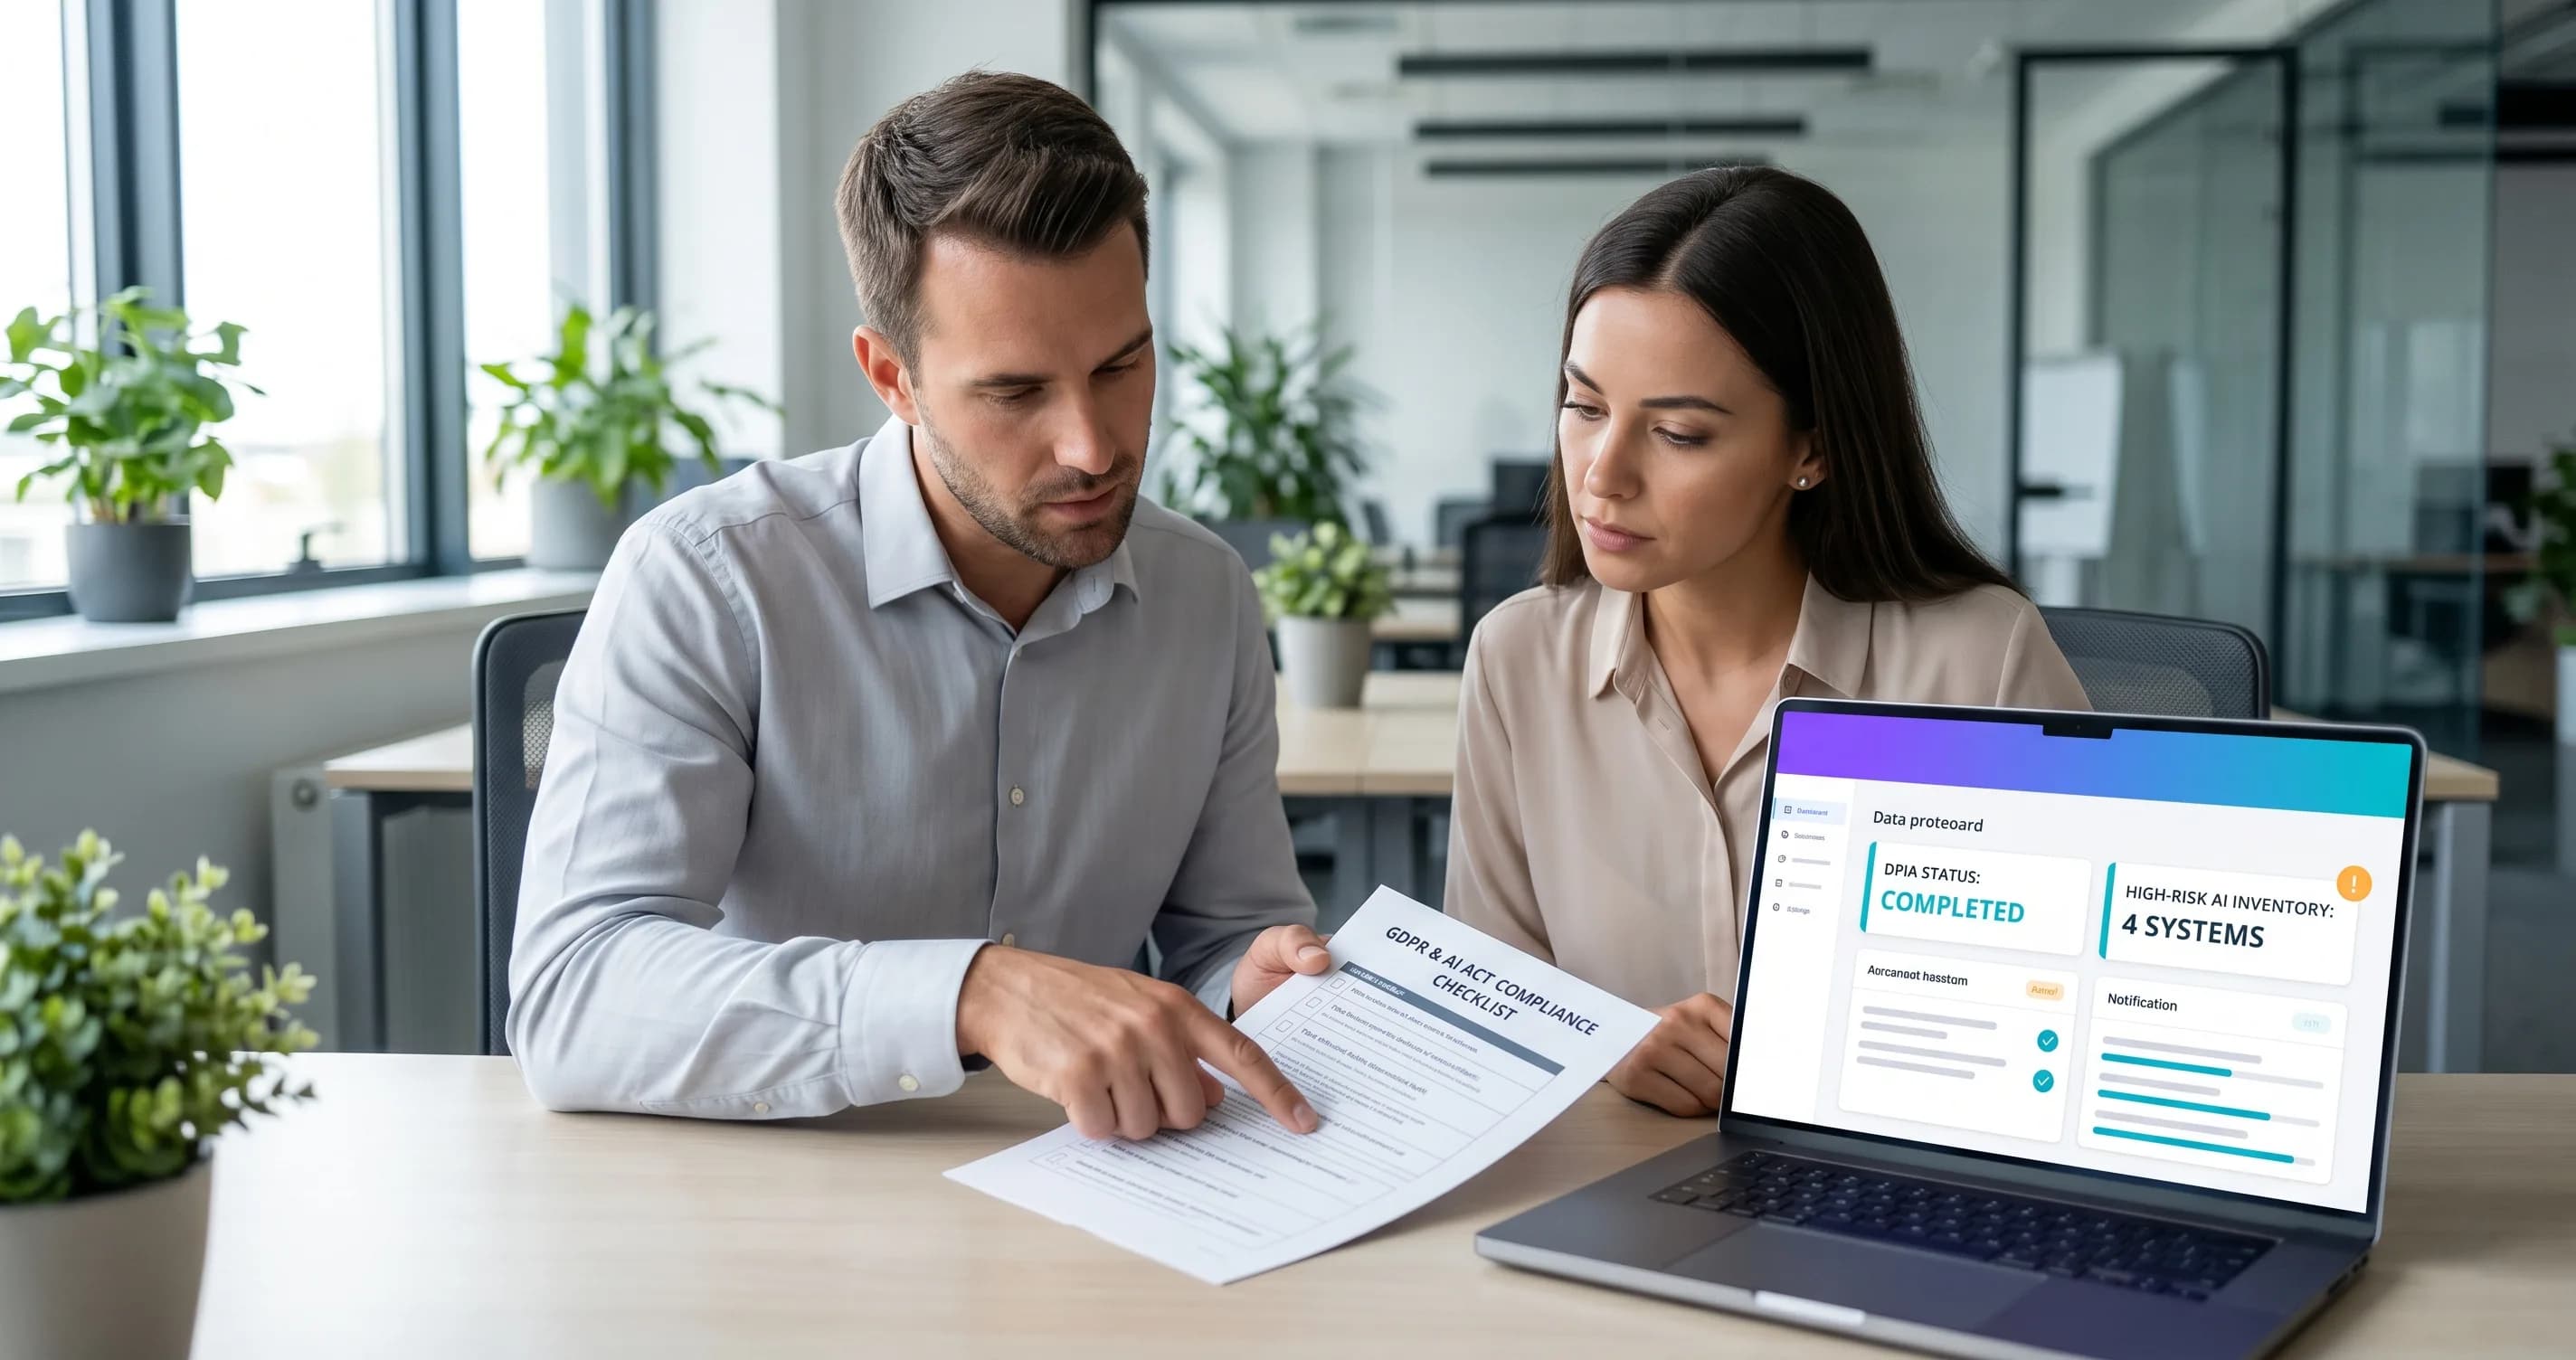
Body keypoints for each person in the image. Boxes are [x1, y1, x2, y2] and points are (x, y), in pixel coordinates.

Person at [508, 71, 1331, 1144]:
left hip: (1099, 1190)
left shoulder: (1202, 591)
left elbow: (1225, 935)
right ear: (890, 375)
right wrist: (968, 992)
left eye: (1122, 365)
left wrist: (1249, 988)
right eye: (1015, 392)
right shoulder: (709, 576)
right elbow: (575, 995)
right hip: (781, 1204)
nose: (1092, 446)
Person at [1443, 166, 2088, 1119]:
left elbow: (2064, 1021)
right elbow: (1486, 1013)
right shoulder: (1516, 658)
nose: (1601, 476)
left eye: (1678, 433)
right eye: (1583, 408)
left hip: (1894, 1194)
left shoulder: (1977, 662)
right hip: (1606, 1198)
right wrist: (1601, 1049)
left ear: (1812, 449)